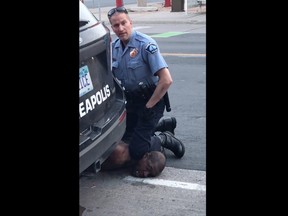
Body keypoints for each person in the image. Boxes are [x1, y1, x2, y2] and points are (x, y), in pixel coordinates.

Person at [101, 6, 185, 177]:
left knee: (137, 150)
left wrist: (149, 106)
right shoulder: (115, 48)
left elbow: (166, 80)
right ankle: (161, 124)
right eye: (116, 25)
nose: (120, 28)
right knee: (124, 138)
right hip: (131, 103)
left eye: (123, 23)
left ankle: (163, 138)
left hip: (151, 102)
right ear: (112, 27)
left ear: (130, 22)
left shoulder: (146, 45)